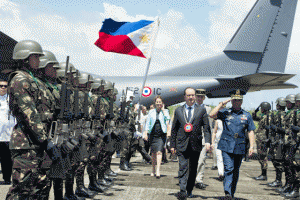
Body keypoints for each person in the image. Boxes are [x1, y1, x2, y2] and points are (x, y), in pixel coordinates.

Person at [6, 40, 57, 200]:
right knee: (21, 189)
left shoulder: (35, 81)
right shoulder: (20, 79)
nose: (39, 60)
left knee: (40, 187)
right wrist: (45, 139)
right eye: (35, 56)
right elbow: (30, 114)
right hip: (26, 143)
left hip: (38, 142)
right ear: (24, 58)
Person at [209, 89, 255, 199]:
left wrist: (252, 146)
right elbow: (211, 114)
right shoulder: (225, 112)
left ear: (242, 102)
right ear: (232, 101)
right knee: (228, 168)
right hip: (226, 145)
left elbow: (251, 131)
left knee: (235, 171)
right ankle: (227, 193)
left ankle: (231, 192)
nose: (236, 103)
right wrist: (221, 104)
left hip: (240, 146)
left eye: (238, 101)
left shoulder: (247, 115)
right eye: (234, 100)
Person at [170, 87, 211, 199]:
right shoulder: (178, 110)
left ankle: (189, 190)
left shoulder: (201, 110)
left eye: (193, 95)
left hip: (195, 144)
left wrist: (208, 142)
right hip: (182, 144)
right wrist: (172, 145)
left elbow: (206, 128)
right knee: (182, 167)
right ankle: (182, 190)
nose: (191, 97)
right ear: (184, 97)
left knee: (193, 169)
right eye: (188, 95)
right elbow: (174, 129)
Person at [144, 96, 171, 178]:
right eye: (157, 102)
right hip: (153, 134)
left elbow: (168, 119)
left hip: (161, 134)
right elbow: (148, 123)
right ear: (155, 103)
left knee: (159, 152)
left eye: (160, 102)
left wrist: (163, 110)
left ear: (162, 103)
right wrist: (145, 133)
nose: (159, 103)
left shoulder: (165, 111)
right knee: (153, 153)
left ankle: (158, 170)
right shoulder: (151, 112)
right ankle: (153, 169)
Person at [194, 89, 213, 189]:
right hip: (191, 139)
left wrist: (209, 141)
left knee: (201, 161)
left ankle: (199, 180)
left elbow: (209, 127)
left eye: (202, 97)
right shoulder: (190, 108)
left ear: (204, 98)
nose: (200, 98)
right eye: (198, 96)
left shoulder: (208, 109)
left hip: (202, 139)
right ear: (195, 97)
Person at [0, 78, 15, 185]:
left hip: (7, 134)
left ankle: (7, 178)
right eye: (1, 86)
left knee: (6, 159)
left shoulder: (11, 100)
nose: (3, 88)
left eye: (5, 86)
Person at [252, 102, 271, 181]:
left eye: (261, 108)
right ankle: (263, 174)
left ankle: (264, 175)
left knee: (263, 157)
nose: (261, 110)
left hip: (263, 139)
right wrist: (255, 111)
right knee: (261, 157)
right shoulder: (263, 117)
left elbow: (269, 129)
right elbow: (254, 117)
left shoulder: (268, 117)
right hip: (261, 139)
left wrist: (268, 139)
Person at [211, 104, 225, 181]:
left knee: (225, 158)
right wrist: (212, 142)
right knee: (219, 158)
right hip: (218, 142)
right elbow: (214, 132)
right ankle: (221, 174)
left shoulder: (228, 121)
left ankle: (225, 173)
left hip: (226, 142)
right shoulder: (218, 121)